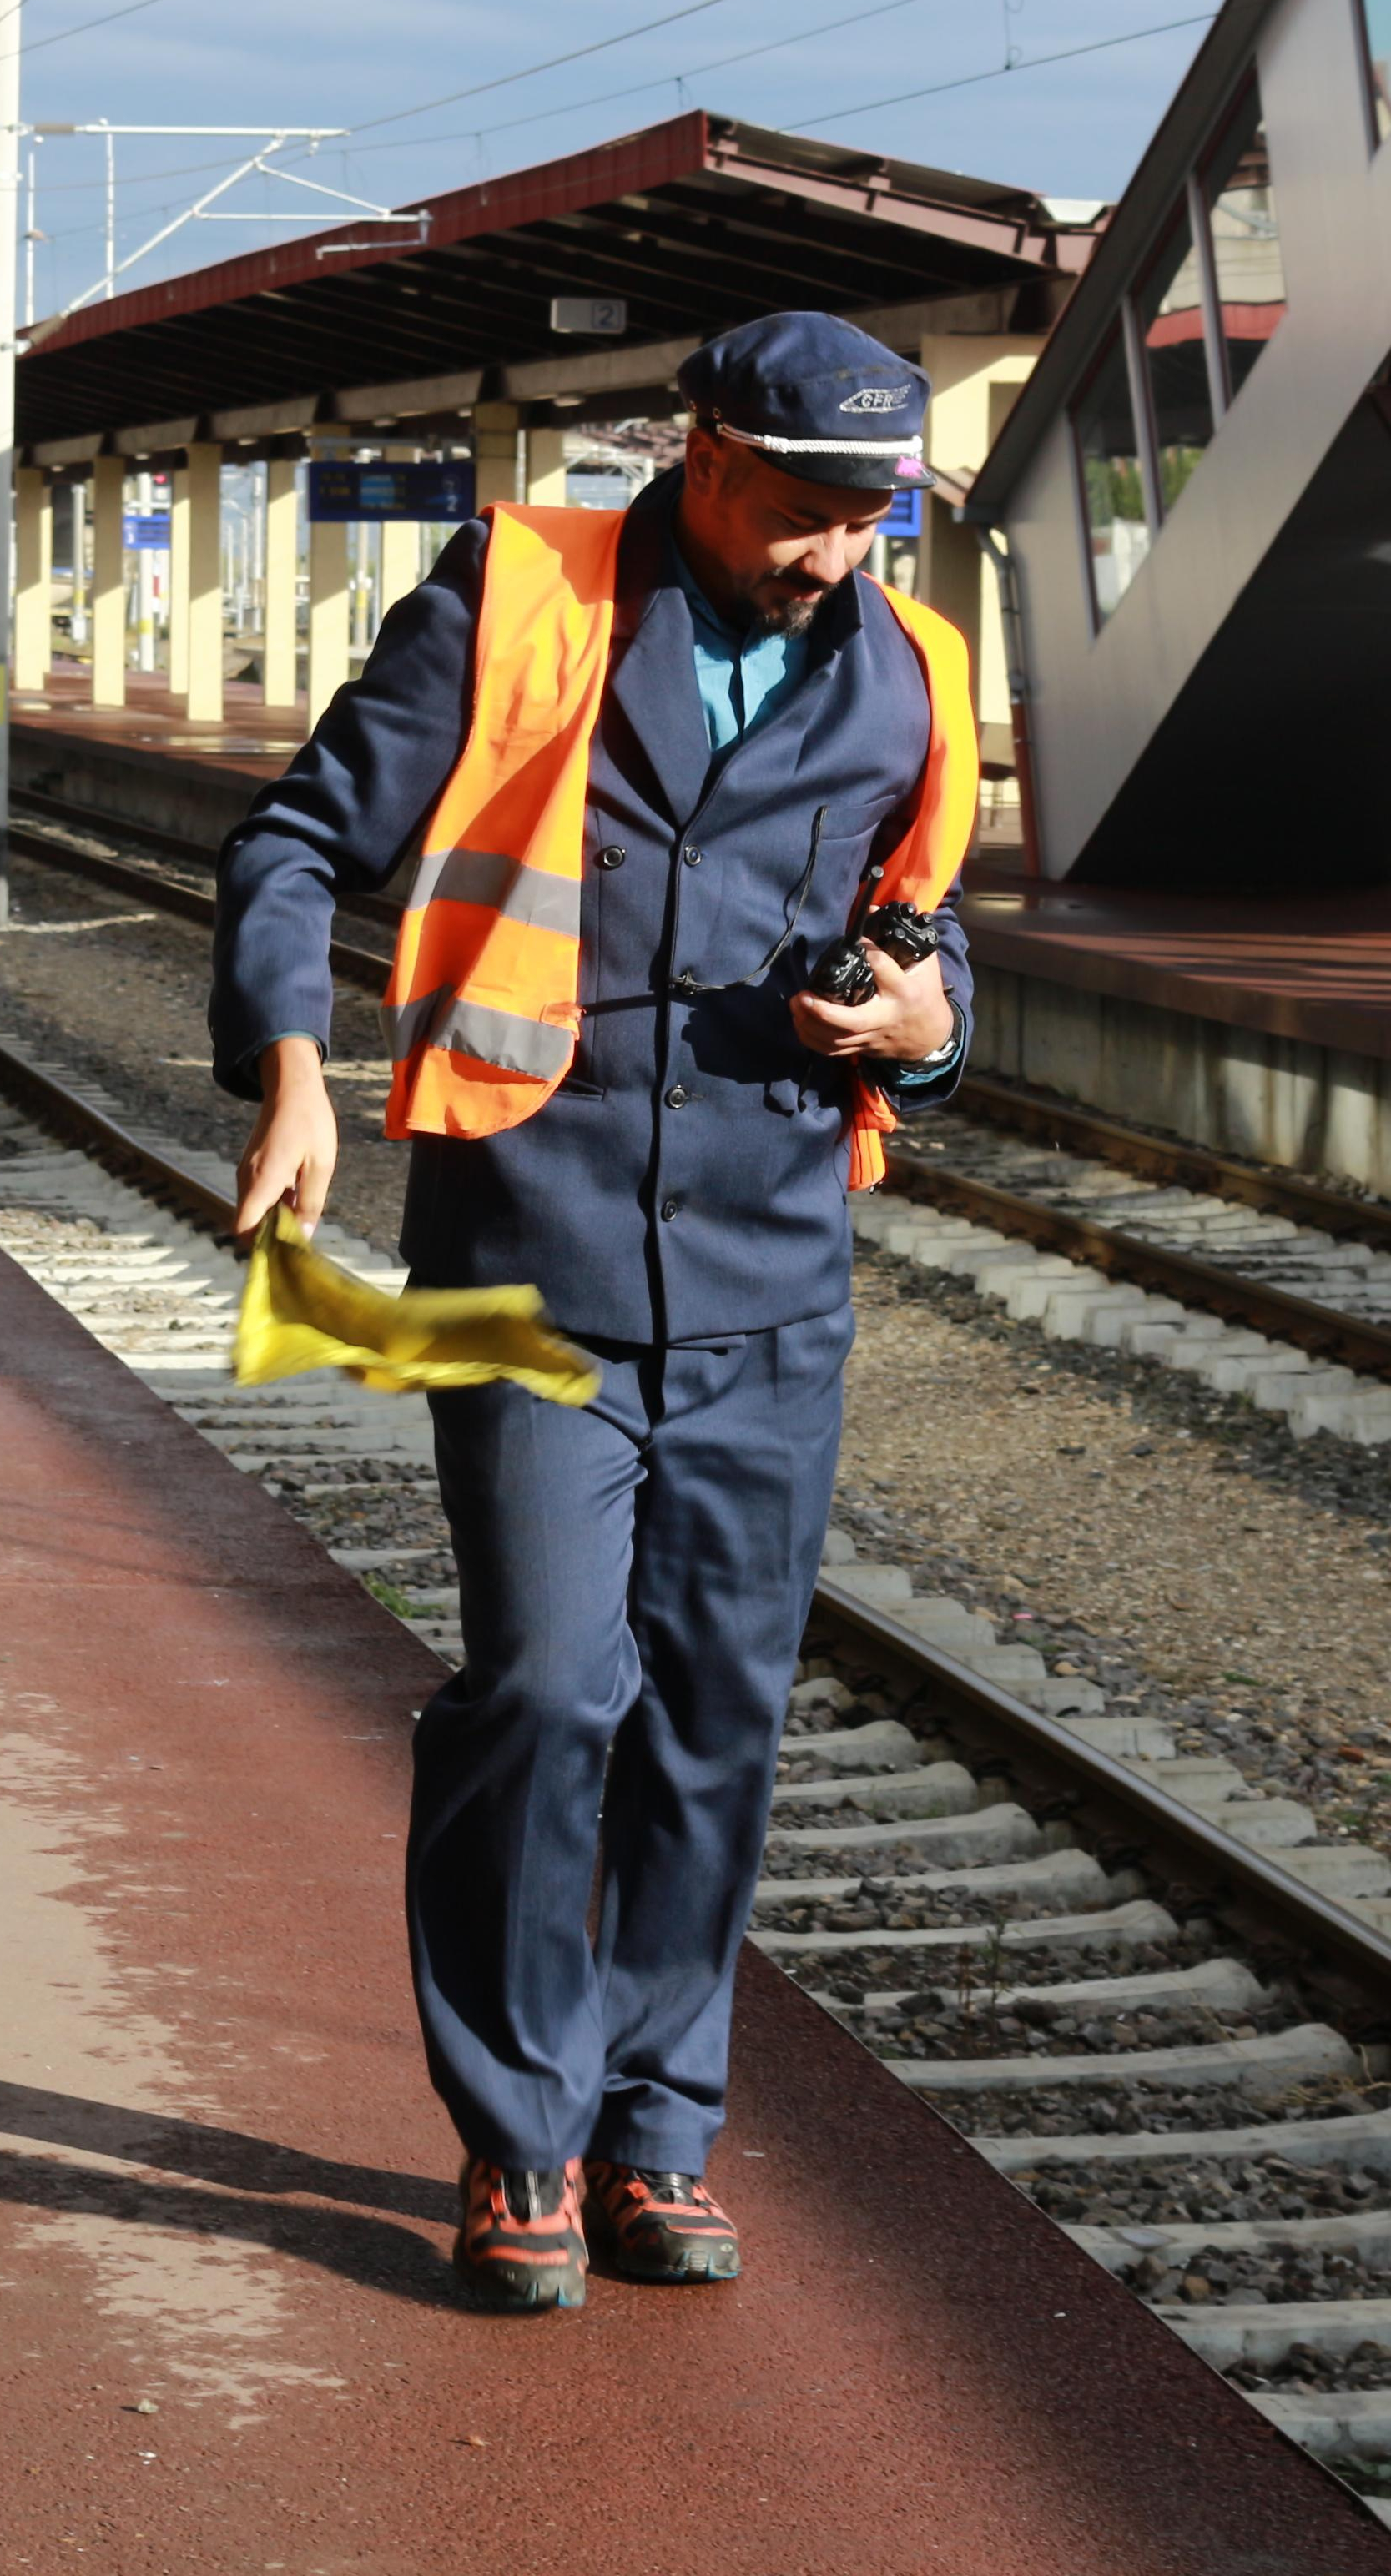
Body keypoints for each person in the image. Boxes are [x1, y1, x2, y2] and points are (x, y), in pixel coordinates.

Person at [213, 313, 977, 2317]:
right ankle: (516, 2133)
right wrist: (289, 1062)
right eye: (808, 505)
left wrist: (929, 1018)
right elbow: (296, 840)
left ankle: (654, 2130)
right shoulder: (516, 596)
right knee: (551, 1686)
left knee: (714, 1719)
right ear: (700, 454)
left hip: (767, 1271)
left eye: (871, 512)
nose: (837, 548)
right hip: (520, 1250)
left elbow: (931, 921)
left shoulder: (911, 675)